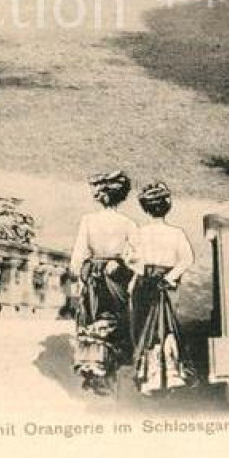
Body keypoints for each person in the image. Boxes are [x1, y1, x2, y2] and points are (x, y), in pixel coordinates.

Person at [69, 170, 137, 395]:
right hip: (116, 275)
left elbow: (78, 254)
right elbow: (137, 256)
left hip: (96, 277)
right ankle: (108, 372)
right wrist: (122, 264)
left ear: (103, 195)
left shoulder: (88, 220)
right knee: (113, 324)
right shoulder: (128, 223)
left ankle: (94, 369)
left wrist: (77, 275)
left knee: (94, 321)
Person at [129, 182, 195, 396]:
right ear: (167, 207)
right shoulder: (177, 233)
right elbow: (187, 259)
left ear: (146, 208)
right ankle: (171, 375)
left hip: (146, 283)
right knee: (167, 328)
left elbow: (129, 258)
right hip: (166, 285)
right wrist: (169, 278)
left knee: (146, 328)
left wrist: (142, 271)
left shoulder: (140, 233)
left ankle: (150, 378)